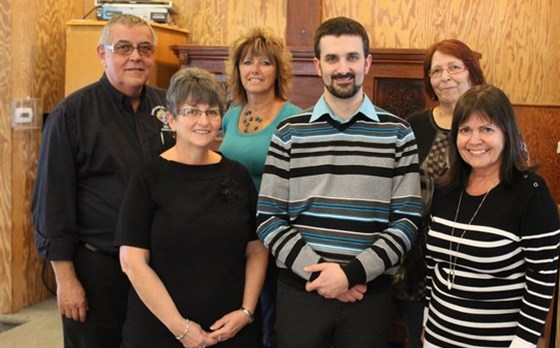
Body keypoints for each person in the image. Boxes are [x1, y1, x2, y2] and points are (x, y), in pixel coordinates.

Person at [256, 17, 423, 348]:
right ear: (318, 65)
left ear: (367, 62)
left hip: (368, 294)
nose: (343, 68)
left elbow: (407, 220)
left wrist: (351, 275)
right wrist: (322, 273)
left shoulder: (399, 133)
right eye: (332, 58)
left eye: (352, 57)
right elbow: (268, 217)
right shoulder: (289, 132)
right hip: (300, 291)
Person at [31, 14, 175, 348]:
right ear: (102, 54)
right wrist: (66, 280)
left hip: (160, 268)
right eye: (123, 47)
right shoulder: (71, 114)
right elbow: (52, 202)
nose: (135, 56)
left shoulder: (169, 108)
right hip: (98, 268)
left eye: (144, 48)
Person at [116, 67, 268, 348]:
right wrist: (181, 329)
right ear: (171, 120)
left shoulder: (236, 175)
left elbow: (256, 249)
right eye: (192, 111)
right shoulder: (147, 178)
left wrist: (246, 312)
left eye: (212, 111)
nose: (204, 120)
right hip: (161, 330)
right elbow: (133, 263)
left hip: (231, 329)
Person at [423, 84, 560, 347]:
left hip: (499, 341)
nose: (474, 140)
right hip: (437, 335)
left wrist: (523, 343)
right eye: (465, 130)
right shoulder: (445, 187)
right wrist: (427, 320)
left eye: (486, 129)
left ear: (506, 133)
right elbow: (433, 265)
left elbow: (542, 279)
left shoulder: (531, 192)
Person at [393, 39, 486, 348]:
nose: (444, 76)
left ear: (471, 72)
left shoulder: (491, 122)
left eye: (454, 67)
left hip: (472, 257)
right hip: (417, 258)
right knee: (418, 339)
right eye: (436, 71)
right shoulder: (414, 125)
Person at [219, 28, 302, 347]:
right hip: (231, 234)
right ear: (237, 69)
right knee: (233, 315)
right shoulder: (229, 116)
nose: (255, 70)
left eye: (265, 62)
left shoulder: (295, 119)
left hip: (273, 236)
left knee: (270, 322)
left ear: (278, 70)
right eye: (247, 62)